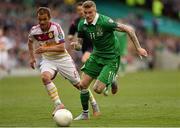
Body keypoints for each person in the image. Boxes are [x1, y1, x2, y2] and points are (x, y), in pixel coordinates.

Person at [71, 1, 148, 120]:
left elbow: (129, 30)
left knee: (97, 89)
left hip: (111, 57)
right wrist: (76, 45)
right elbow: (80, 45)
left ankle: (112, 78)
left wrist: (138, 48)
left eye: (90, 12)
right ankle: (85, 114)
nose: (87, 15)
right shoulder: (82, 24)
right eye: (85, 13)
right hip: (96, 55)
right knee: (82, 85)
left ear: (95, 11)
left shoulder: (105, 22)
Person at [27, 7, 100, 117]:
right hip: (48, 60)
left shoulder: (56, 28)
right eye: (40, 19)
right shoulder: (34, 30)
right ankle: (58, 104)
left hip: (63, 59)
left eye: (44, 19)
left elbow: (61, 47)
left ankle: (94, 104)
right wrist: (32, 58)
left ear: (49, 18)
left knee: (80, 85)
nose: (42, 22)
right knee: (45, 77)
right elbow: (30, 42)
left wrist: (45, 49)